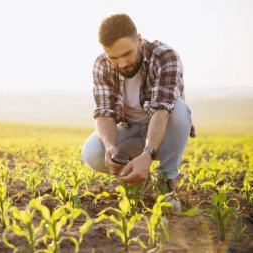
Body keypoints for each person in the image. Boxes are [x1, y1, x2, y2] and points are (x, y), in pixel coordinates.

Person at [81, 13, 195, 209]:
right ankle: (138, 178)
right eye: (114, 58)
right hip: (131, 129)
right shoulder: (102, 64)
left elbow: (162, 111)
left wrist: (149, 154)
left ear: (139, 41)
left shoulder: (165, 56)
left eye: (126, 54)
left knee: (178, 108)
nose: (122, 63)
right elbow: (103, 112)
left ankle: (165, 183)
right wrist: (110, 146)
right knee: (92, 153)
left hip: (165, 130)